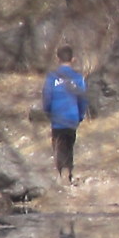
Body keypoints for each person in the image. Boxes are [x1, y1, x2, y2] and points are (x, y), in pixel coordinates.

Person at [41, 44, 88, 185]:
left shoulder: (52, 78)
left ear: (57, 59)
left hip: (57, 118)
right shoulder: (78, 78)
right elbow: (83, 99)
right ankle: (68, 171)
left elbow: (47, 97)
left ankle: (62, 173)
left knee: (58, 145)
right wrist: (80, 115)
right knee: (69, 145)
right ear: (73, 59)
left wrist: (48, 112)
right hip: (72, 118)